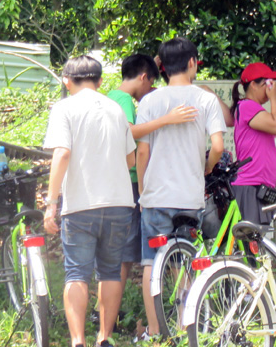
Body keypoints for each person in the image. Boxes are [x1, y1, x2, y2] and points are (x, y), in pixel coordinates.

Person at [135, 37, 226, 340]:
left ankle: (154, 329)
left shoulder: (150, 101)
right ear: (192, 63)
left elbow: (142, 153)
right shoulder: (205, 99)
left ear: (161, 66)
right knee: (186, 261)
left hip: (156, 198)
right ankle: (183, 326)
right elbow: (217, 146)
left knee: (152, 262)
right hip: (189, 196)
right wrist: (207, 167)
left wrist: (144, 190)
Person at [43, 56, 135, 347]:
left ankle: (78, 341)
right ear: (99, 82)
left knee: (76, 273)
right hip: (120, 202)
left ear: (66, 81)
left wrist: (51, 202)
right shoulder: (116, 109)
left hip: (81, 206)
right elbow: (130, 158)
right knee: (110, 271)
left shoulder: (64, 108)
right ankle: (104, 338)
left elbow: (62, 154)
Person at [108, 53, 200, 286]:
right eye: (150, 83)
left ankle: (108, 315)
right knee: (133, 258)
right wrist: (168, 119)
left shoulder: (111, 97)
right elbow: (130, 132)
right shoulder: (125, 100)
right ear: (142, 77)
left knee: (129, 258)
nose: (150, 90)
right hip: (130, 183)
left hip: (117, 181)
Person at [229, 62, 276, 224]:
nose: (270, 88)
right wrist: (274, 98)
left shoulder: (252, 109)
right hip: (249, 186)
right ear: (253, 85)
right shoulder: (248, 106)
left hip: (259, 187)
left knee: (255, 241)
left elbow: (260, 143)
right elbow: (275, 125)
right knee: (250, 243)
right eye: (267, 83)